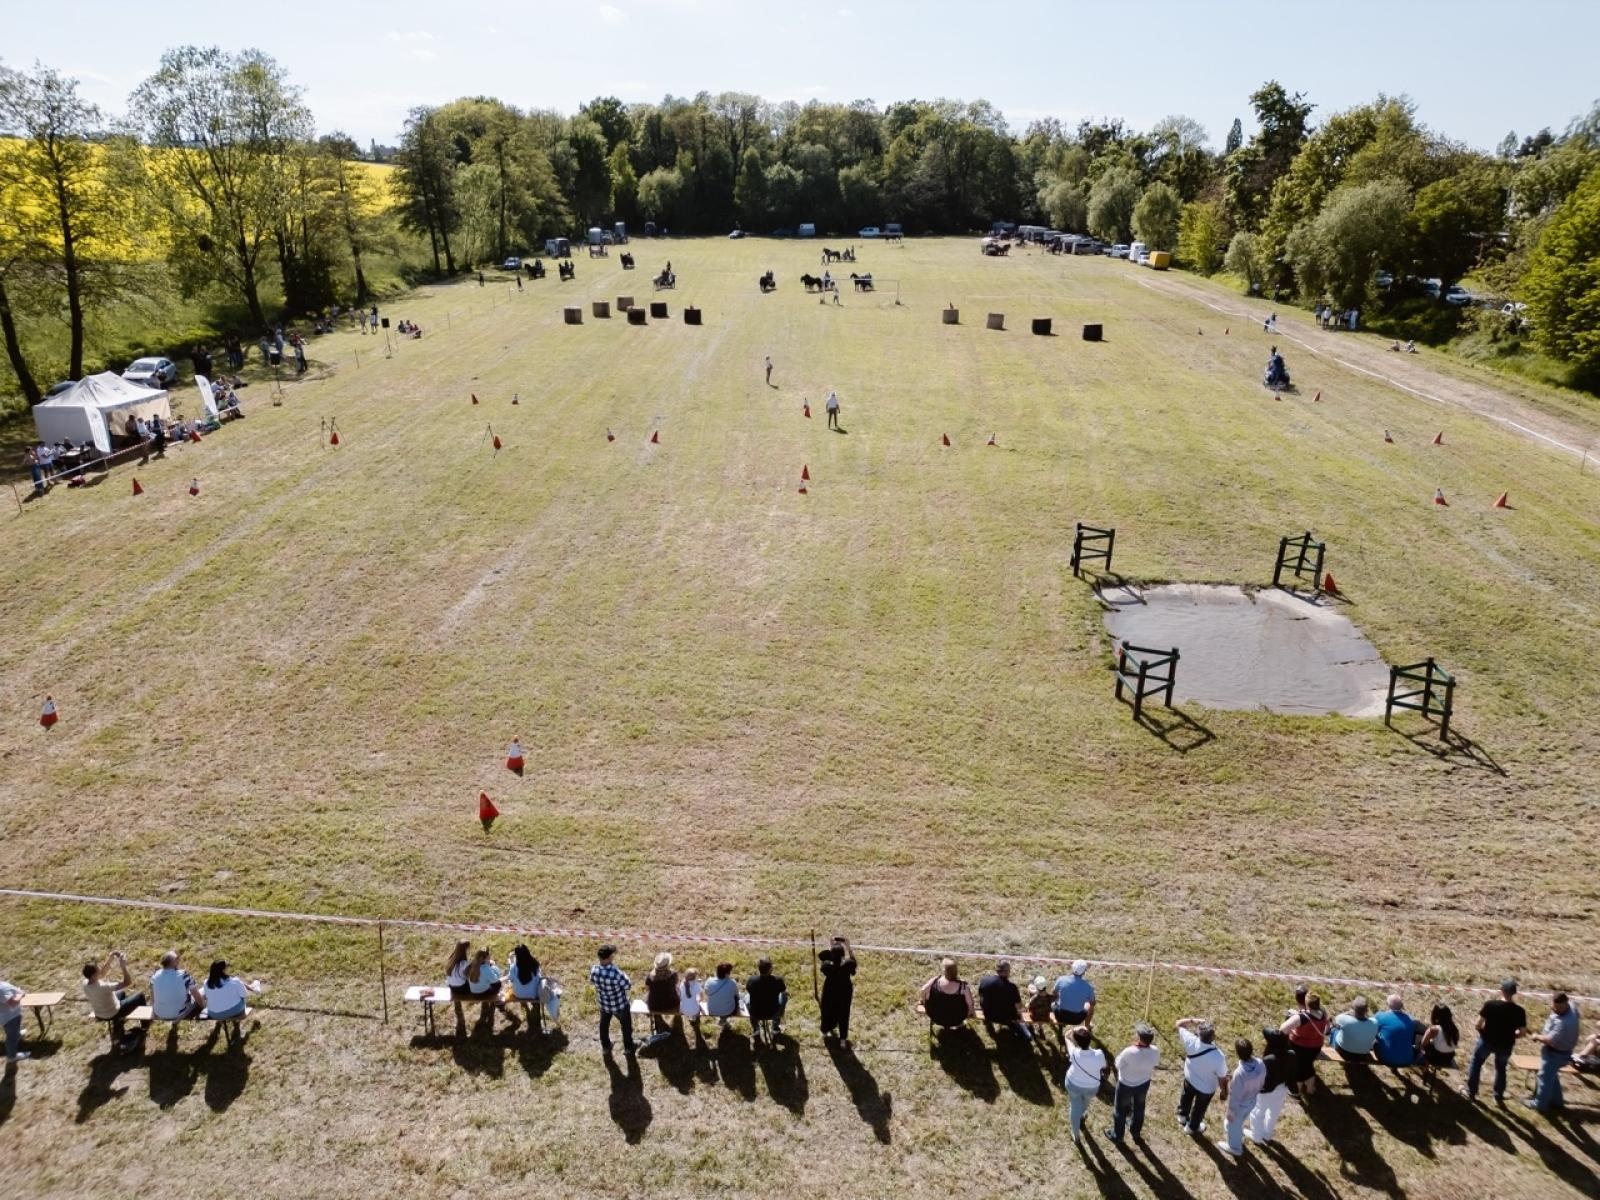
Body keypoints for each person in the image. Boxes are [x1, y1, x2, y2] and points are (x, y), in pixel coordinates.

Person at [1464, 979, 1526, 1102]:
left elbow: (1478, 1024)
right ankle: (1498, 1095)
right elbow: (1522, 1032)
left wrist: (1482, 1033)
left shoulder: (1490, 1005)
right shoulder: (1520, 1011)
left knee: (1476, 1063)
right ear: (1514, 993)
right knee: (1501, 1068)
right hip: (1506, 1045)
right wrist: (1512, 1036)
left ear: (1501, 990)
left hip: (1486, 1041)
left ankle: (1471, 1091)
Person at [83, 950, 150, 1048]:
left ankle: (118, 1022)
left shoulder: (85, 983)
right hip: (113, 1012)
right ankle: (145, 1026)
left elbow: (101, 974)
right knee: (140, 995)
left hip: (100, 1013)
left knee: (121, 993)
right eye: (98, 969)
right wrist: (123, 966)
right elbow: (127, 982)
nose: (100, 969)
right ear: (93, 975)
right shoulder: (103, 987)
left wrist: (110, 959)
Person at [1528, 992, 1580, 1113]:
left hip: (1555, 1053)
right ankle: (1557, 1102)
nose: (1556, 1009)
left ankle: (1539, 1105)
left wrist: (1536, 1036)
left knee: (1544, 1078)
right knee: (1551, 1077)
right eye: (1555, 1006)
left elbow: (1549, 1040)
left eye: (1559, 1008)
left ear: (1565, 1003)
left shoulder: (1563, 1023)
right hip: (1564, 1051)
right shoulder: (1572, 1006)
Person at [1107, 1022, 1159, 1143]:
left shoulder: (1129, 1051)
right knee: (1139, 1108)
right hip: (1143, 1083)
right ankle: (1135, 1132)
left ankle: (1118, 1136)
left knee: (1120, 1110)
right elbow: (1155, 1064)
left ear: (1139, 1039)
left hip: (1126, 1085)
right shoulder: (1155, 1050)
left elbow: (1117, 1064)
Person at [1175, 1017, 1229, 1134]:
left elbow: (1179, 1024)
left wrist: (1195, 1021)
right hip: (1205, 1089)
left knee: (1186, 1097)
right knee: (1200, 1108)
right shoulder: (1219, 1057)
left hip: (1189, 1079)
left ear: (1199, 1034)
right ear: (1213, 1037)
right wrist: (1224, 1092)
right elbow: (1222, 1078)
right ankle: (1192, 1127)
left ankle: (1182, 1115)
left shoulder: (1190, 1041)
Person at [1218, 1038, 1265, 1158]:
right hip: (1253, 1100)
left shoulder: (1239, 1074)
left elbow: (1236, 1097)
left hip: (1240, 1105)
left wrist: (1231, 1112)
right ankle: (1237, 1132)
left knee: (1233, 1124)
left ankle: (1235, 1148)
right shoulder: (1260, 1063)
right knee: (1240, 1120)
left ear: (1237, 1053)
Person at [1282, 988, 1332, 1096]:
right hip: (1316, 1047)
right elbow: (1327, 1030)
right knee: (1308, 1065)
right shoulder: (1323, 1014)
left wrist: (1293, 1018)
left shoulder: (1301, 1018)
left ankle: (1296, 1092)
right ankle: (1310, 1089)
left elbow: (1282, 1029)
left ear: (1306, 1003)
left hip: (1299, 1047)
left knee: (1298, 1069)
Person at [1064, 1024, 1107, 1144]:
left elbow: (1066, 1036)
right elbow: (1104, 1066)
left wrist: (1074, 1029)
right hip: (1092, 1086)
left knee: (1074, 1106)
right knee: (1086, 1102)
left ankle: (1076, 1135)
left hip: (1073, 1084)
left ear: (1077, 1041)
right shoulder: (1099, 1054)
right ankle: (1082, 1115)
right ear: (1090, 1039)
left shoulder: (1074, 1052)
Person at [1248, 1027, 1292, 1144]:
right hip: (1282, 1088)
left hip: (1266, 1091)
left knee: (1257, 1113)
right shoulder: (1291, 1054)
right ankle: (1267, 1135)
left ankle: (1257, 1137)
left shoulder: (1268, 1060)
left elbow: (1259, 1076)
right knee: (1274, 1113)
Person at [589, 944, 634, 1055]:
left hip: (604, 1004)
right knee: (626, 1027)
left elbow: (592, 981)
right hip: (620, 1005)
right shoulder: (616, 973)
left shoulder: (594, 970)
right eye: (612, 954)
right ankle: (628, 1048)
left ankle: (606, 1047)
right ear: (609, 957)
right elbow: (628, 985)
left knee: (603, 1026)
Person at [977, 959, 1030, 1041]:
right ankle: (1025, 1034)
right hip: (1006, 1018)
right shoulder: (1012, 987)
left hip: (988, 1014)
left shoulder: (984, 980)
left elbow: (981, 996)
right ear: (1007, 972)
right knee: (1027, 1035)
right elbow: (1019, 1007)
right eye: (1009, 970)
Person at [818, 937, 856, 1046]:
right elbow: (853, 962)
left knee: (827, 1010)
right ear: (843, 955)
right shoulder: (848, 965)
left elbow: (823, 958)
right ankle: (842, 1040)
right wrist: (848, 946)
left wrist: (831, 947)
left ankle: (825, 1031)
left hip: (830, 991)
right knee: (844, 1013)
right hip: (844, 992)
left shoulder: (827, 966)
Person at [919, 958, 975, 1030]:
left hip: (936, 1017)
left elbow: (923, 990)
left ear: (944, 971)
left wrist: (924, 1003)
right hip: (957, 1019)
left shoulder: (935, 981)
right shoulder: (963, 987)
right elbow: (970, 1004)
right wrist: (969, 1013)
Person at [150, 951, 205, 1021]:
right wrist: (203, 1006)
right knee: (201, 994)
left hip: (159, 1013)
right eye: (178, 960)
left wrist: (154, 1012)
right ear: (175, 962)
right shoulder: (184, 975)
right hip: (178, 1014)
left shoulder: (154, 976)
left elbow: (153, 997)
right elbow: (196, 994)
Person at [746, 957, 788, 1043]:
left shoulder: (752, 980)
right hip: (773, 1012)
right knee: (784, 996)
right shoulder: (778, 980)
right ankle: (775, 1027)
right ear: (770, 969)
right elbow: (783, 992)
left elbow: (748, 990)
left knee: (746, 997)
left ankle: (756, 1028)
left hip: (756, 1012)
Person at [1374, 994, 1424, 1066]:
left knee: (1375, 1041)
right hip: (1407, 1060)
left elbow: (1370, 1028)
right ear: (1402, 1005)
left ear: (1388, 1005)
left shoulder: (1380, 1016)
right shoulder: (1411, 1020)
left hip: (1385, 1059)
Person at [1051, 960, 1096, 1028]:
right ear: (1084, 972)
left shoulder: (1061, 980)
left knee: (1052, 1003)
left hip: (1060, 1016)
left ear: (1072, 968)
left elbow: (1053, 994)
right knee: (1090, 1006)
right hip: (1077, 1019)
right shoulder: (1088, 987)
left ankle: (1059, 1022)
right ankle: (1087, 1025)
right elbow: (1093, 1003)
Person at [644, 952, 680, 1037]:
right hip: (672, 1004)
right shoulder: (673, 974)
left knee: (646, 996)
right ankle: (678, 1020)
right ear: (668, 965)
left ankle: (657, 1018)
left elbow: (647, 989)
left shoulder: (650, 976)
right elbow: (677, 985)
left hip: (654, 1005)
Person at [506, 944, 543, 1023]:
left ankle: (523, 1003)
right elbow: (539, 977)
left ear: (517, 956)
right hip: (533, 994)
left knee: (514, 985)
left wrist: (511, 963)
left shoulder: (514, 966)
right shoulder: (534, 964)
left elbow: (510, 979)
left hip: (518, 994)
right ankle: (535, 1007)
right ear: (528, 952)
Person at [1421, 1004, 1459, 1071]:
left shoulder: (1434, 1029)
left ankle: (1425, 1067)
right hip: (1449, 1058)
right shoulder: (1455, 1030)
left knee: (1422, 1043)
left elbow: (1423, 1043)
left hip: (1435, 1058)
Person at [1, 977, 29, 1062]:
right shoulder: (1, 989)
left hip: (9, 1015)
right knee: (12, 1037)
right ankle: (12, 1056)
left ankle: (18, 1033)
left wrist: (17, 990)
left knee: (15, 1030)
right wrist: (21, 994)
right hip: (9, 1017)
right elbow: (12, 1003)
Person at [704, 961, 740, 1027]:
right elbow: (736, 995)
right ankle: (724, 1020)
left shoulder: (709, 981)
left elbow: (706, 992)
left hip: (712, 1010)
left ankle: (722, 1020)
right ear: (727, 973)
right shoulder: (732, 983)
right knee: (736, 997)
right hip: (728, 1011)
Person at [679, 966, 704, 1031]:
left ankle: (690, 1017)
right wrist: (699, 1000)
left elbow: (681, 995)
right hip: (694, 1010)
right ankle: (693, 1019)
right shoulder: (697, 984)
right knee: (696, 1007)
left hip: (683, 1010)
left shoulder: (682, 983)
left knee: (687, 1004)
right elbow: (702, 996)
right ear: (695, 977)